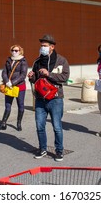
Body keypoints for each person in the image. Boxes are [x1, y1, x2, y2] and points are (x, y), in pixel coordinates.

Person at [27, 34, 70, 162]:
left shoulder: (61, 60)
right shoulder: (37, 61)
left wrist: (49, 74)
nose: (42, 48)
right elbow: (36, 80)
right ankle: (43, 149)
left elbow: (65, 77)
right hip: (40, 98)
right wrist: (31, 77)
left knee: (57, 126)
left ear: (52, 47)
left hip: (55, 98)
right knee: (40, 126)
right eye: (41, 46)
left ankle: (59, 151)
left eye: (44, 46)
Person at [0, 44, 28, 131]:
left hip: (19, 87)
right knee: (7, 105)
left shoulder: (23, 61)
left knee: (20, 105)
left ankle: (19, 123)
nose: (14, 52)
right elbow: (4, 72)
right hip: (9, 86)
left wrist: (12, 83)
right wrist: (6, 81)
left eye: (16, 50)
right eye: (13, 50)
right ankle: (3, 123)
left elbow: (23, 75)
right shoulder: (9, 60)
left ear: (20, 51)